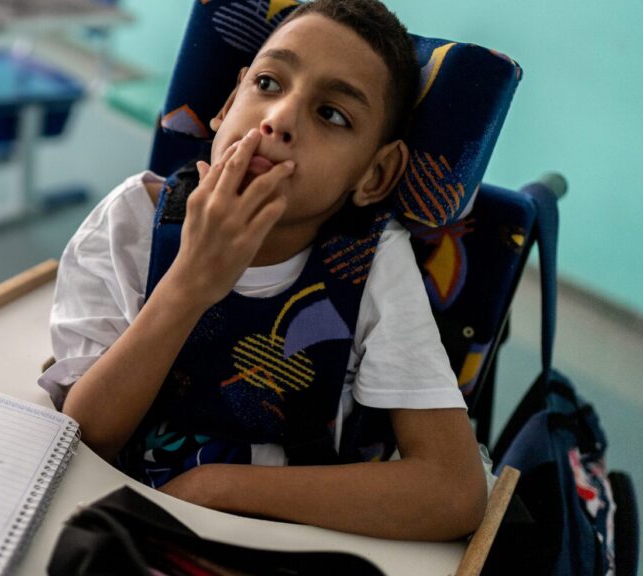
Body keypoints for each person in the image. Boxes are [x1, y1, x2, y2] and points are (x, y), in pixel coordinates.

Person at [39, 0, 487, 541]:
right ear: (229, 104)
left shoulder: (370, 266)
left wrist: (216, 488)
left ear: (375, 174)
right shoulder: (131, 221)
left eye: (332, 114)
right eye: (269, 83)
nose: (279, 120)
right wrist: (191, 282)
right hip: (114, 521)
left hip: (280, 536)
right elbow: (84, 438)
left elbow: (454, 491)